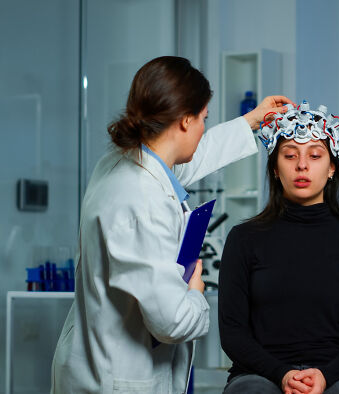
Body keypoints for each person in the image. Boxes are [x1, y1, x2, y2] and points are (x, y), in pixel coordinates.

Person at [50, 55, 293, 393]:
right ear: (183, 120)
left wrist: (251, 122)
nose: (203, 128)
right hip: (118, 379)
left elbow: (188, 159)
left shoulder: (121, 164)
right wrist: (196, 291)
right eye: (203, 118)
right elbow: (173, 322)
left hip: (92, 363)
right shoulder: (142, 201)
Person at [218, 102, 339, 394]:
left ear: (332, 167)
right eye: (290, 155)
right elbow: (232, 333)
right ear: (276, 170)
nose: (302, 165)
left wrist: (325, 375)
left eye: (315, 155)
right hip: (260, 372)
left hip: (337, 374)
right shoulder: (244, 239)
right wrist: (282, 374)